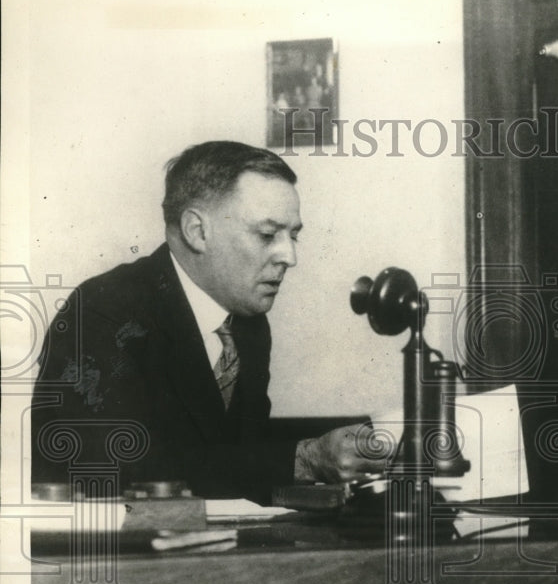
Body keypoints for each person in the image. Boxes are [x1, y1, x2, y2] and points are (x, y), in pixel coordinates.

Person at [31, 141, 380, 504]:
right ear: (197, 231)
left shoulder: (247, 325)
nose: (289, 256)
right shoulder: (101, 312)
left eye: (293, 235)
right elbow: (119, 471)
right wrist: (305, 458)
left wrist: (350, 442)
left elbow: (237, 450)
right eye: (267, 235)